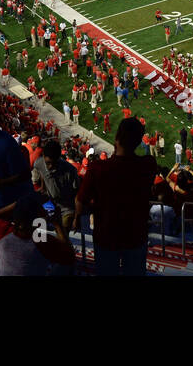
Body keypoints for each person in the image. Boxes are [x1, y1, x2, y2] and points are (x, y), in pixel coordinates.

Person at [75, 118, 158, 276]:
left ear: (117, 139)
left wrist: (84, 213)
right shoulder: (148, 164)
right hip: (135, 234)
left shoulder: (97, 168)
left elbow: (80, 201)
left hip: (107, 235)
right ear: (138, 140)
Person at [32, 139, 80, 230]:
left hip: (67, 208)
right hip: (50, 205)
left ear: (59, 158)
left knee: (62, 236)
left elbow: (78, 194)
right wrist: (42, 188)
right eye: (48, 163)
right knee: (41, 234)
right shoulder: (39, 163)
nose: (50, 167)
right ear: (43, 156)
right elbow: (41, 174)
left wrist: (77, 217)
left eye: (53, 163)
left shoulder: (70, 170)